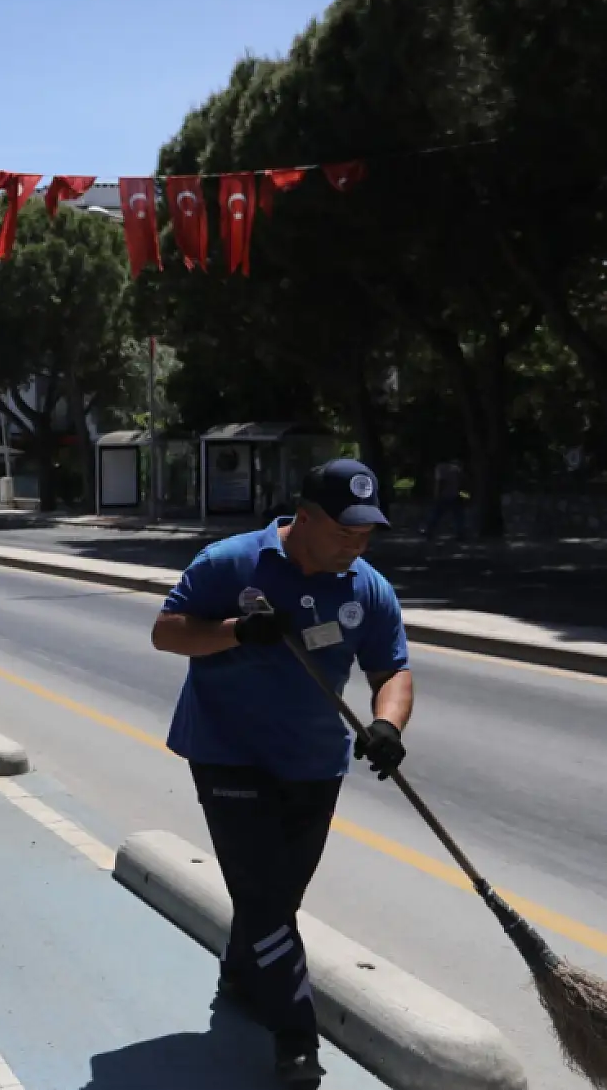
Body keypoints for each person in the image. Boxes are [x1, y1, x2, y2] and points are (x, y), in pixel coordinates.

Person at [150, 458, 415, 1087]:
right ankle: (296, 1038)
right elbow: (167, 633)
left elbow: (393, 672)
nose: (358, 541)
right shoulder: (231, 562)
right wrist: (239, 632)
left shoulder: (366, 588)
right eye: (346, 528)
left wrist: (388, 725)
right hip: (227, 753)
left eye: (367, 530)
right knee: (267, 899)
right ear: (306, 517)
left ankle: (242, 973)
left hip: (313, 764)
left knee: (276, 895)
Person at [423, 458, 467, 540]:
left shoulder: (440, 468)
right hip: (454, 495)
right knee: (458, 516)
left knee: (436, 514)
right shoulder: (457, 469)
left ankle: (429, 531)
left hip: (444, 495)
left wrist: (436, 494)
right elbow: (462, 483)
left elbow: (440, 482)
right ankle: (460, 533)